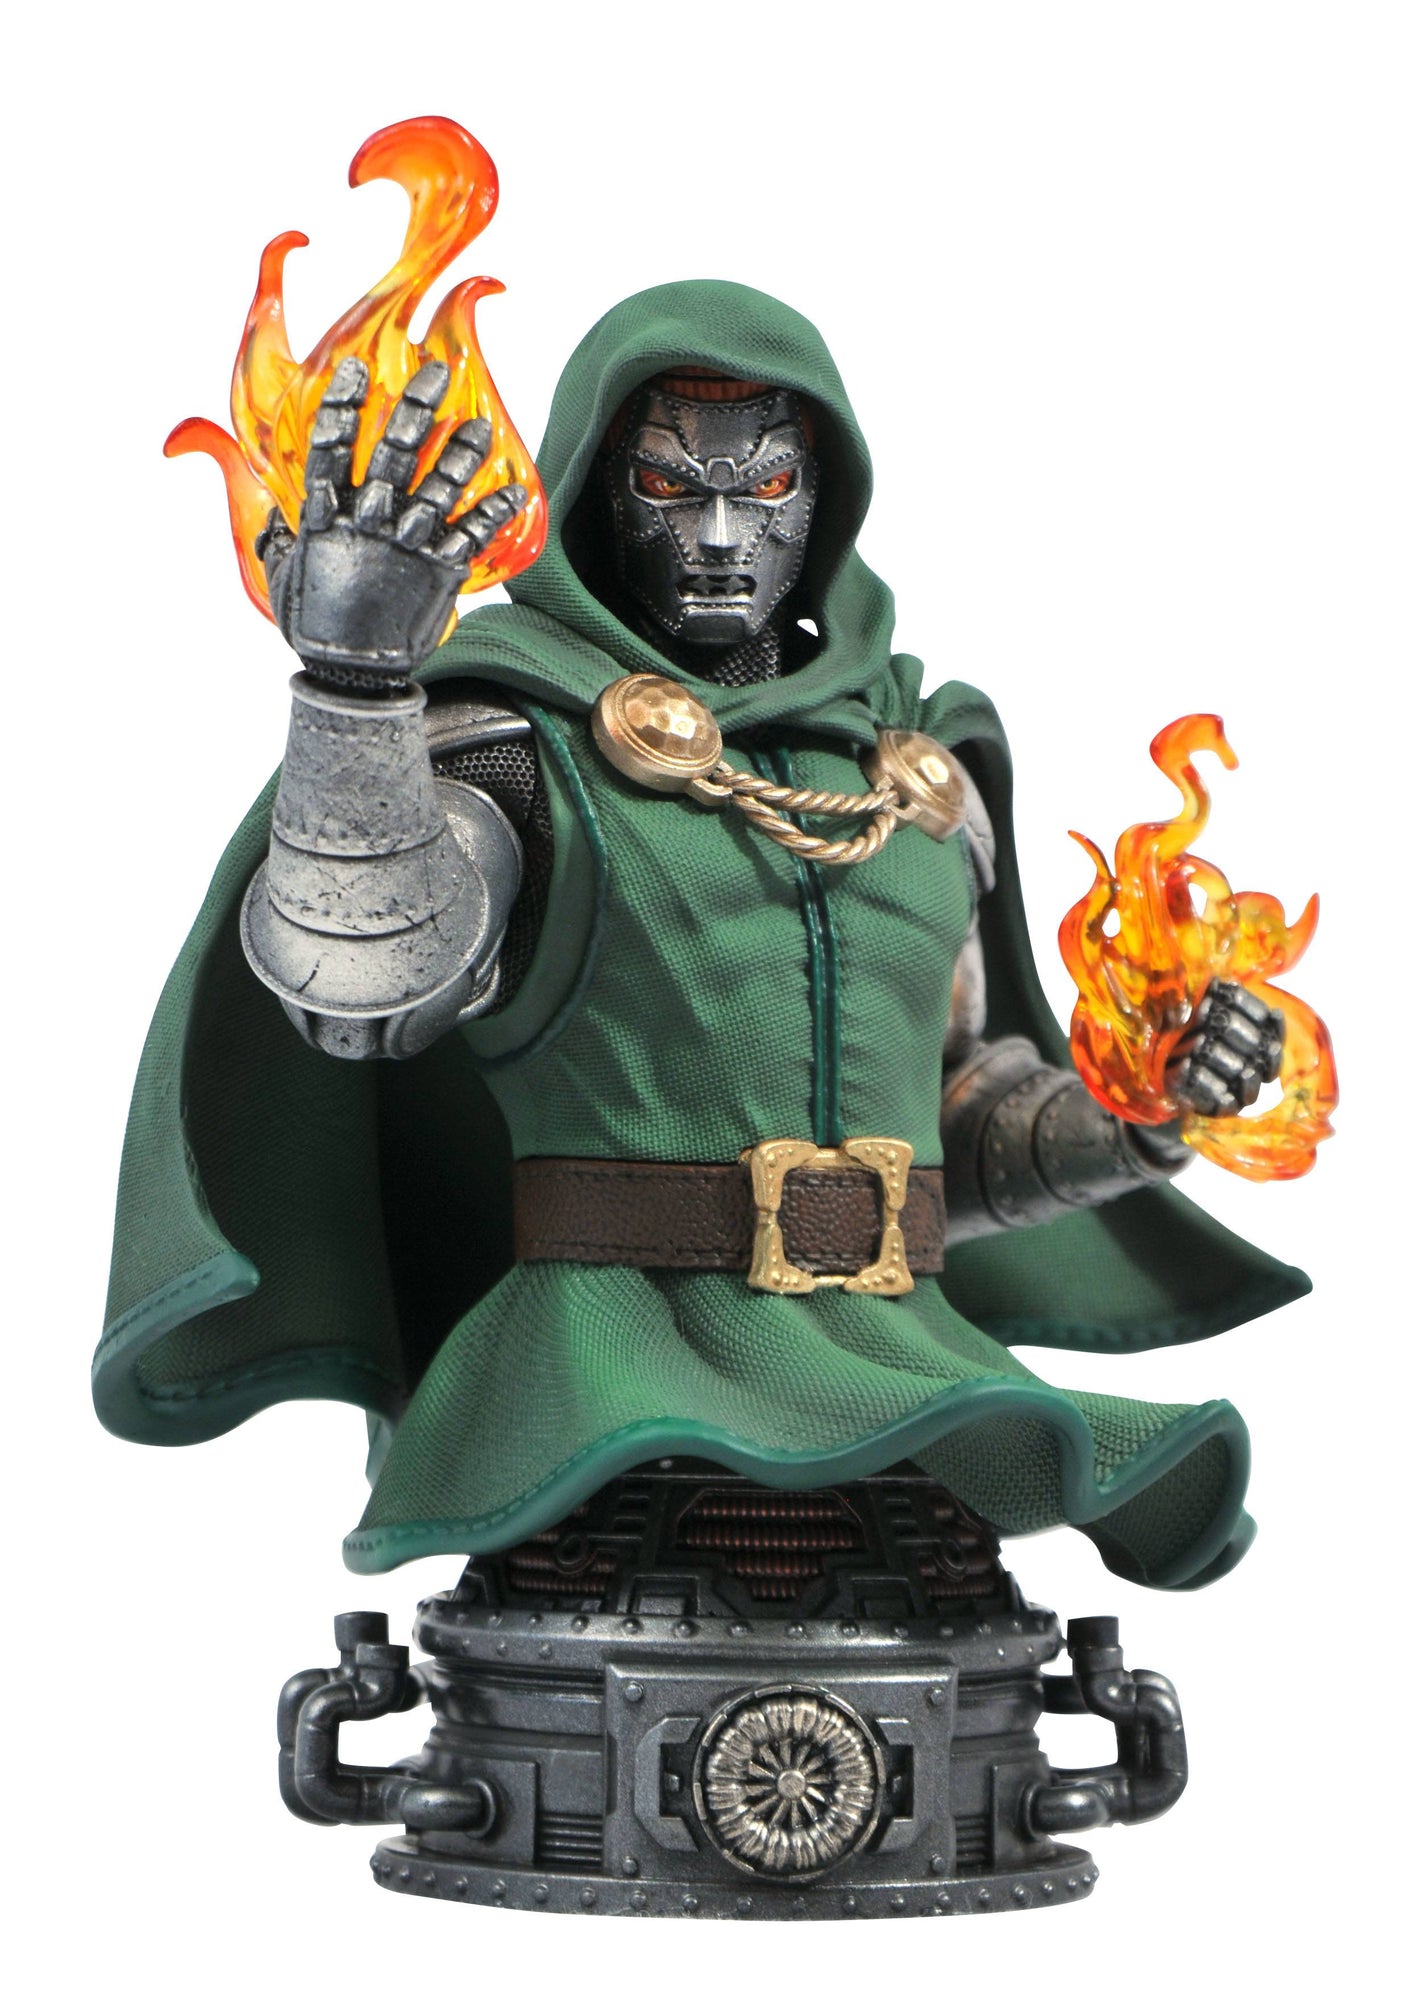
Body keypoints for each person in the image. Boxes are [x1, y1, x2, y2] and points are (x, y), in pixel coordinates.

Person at [97, 279, 1304, 1598]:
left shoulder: (916, 777)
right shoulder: (520, 742)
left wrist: (1142, 1111)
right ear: (597, 495)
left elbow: (953, 1118)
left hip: (906, 1383)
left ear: (823, 500)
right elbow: (369, 987)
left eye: (765, 486)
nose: (721, 535)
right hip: (613, 1383)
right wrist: (355, 690)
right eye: (671, 489)